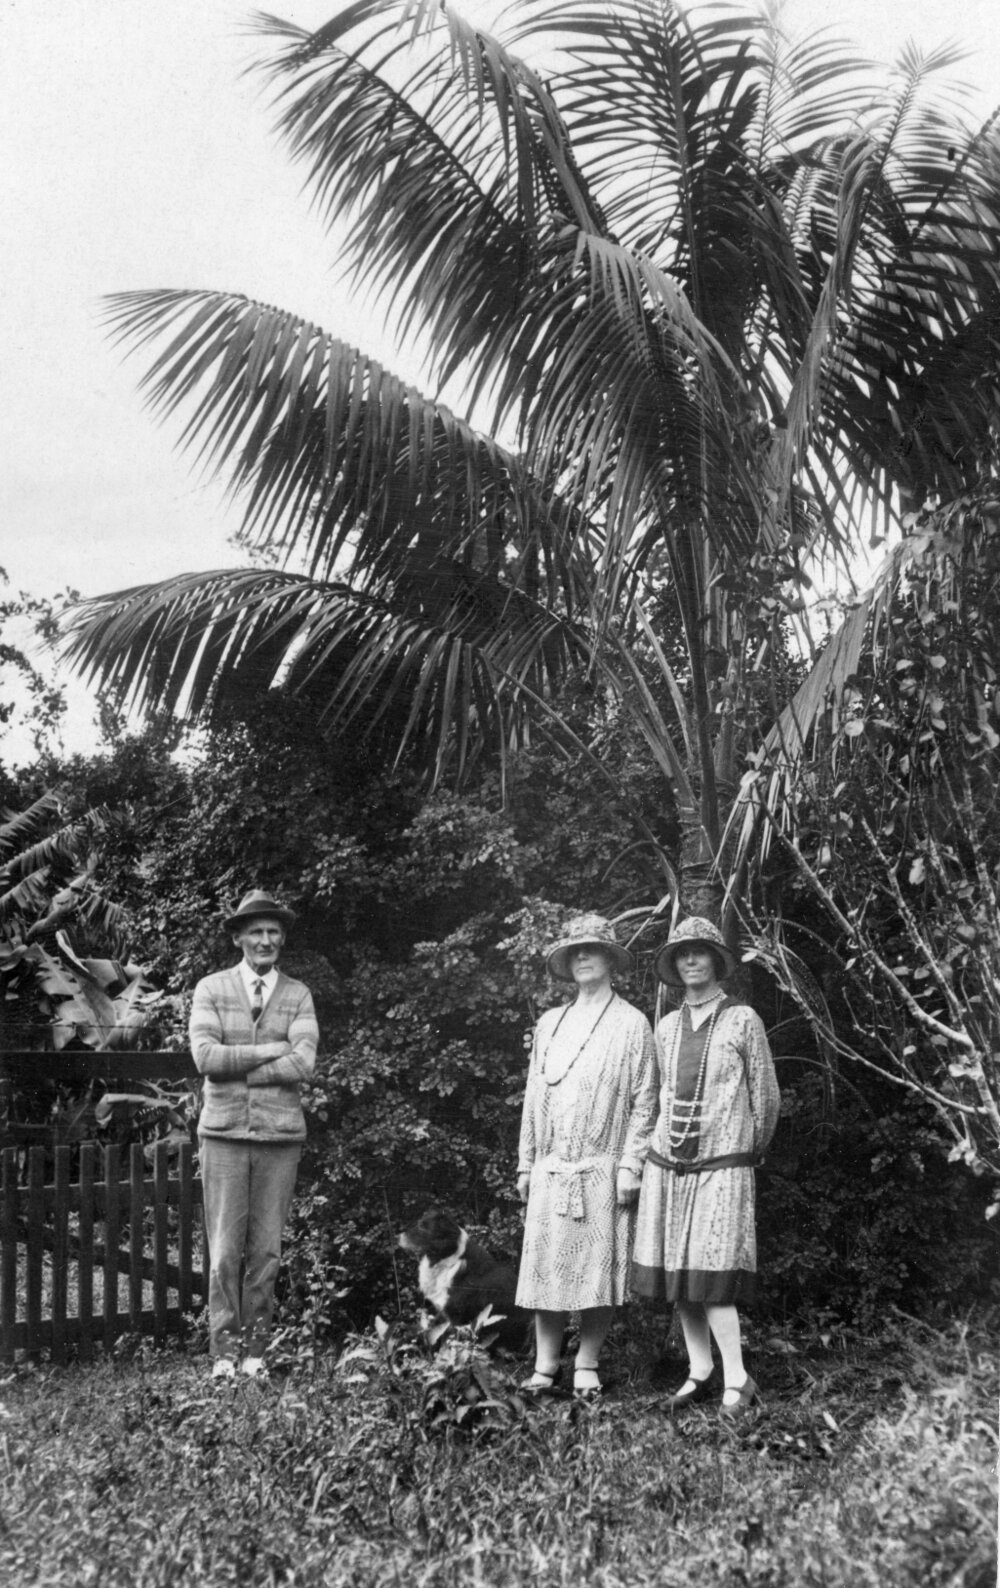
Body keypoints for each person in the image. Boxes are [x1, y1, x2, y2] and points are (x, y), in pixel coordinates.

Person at [632, 916, 779, 1415]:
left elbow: (766, 1098)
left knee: (714, 1278)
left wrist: (743, 1151)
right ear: (674, 965)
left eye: (700, 952)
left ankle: (739, 1379)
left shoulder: (743, 1020)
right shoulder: (667, 1027)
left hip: (723, 1166)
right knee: (681, 1278)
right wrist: (655, 1151)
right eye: (682, 954)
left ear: (717, 962)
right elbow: (655, 1097)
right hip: (667, 1166)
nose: (691, 960)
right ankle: (700, 1372)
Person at [516, 913, 658, 1399]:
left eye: (591, 950)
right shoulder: (550, 1023)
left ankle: (588, 1362)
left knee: (598, 1267)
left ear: (610, 960)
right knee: (546, 1266)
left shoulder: (632, 1023)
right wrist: (525, 1162)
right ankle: (545, 1362)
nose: (582, 958)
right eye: (574, 951)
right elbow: (534, 1096)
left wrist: (631, 1164)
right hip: (552, 1165)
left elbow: (645, 1099)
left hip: (603, 1165)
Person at [190, 889, 318, 1380]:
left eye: (273, 932)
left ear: (280, 938)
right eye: (256, 932)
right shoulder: (211, 989)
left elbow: (304, 1062)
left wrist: (240, 1061)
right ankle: (224, 1354)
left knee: (266, 1251)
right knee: (224, 1250)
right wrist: (271, 1050)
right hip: (222, 1134)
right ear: (239, 937)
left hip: (280, 1137)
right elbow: (206, 1058)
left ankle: (255, 1353)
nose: (265, 940)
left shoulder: (298, 994)